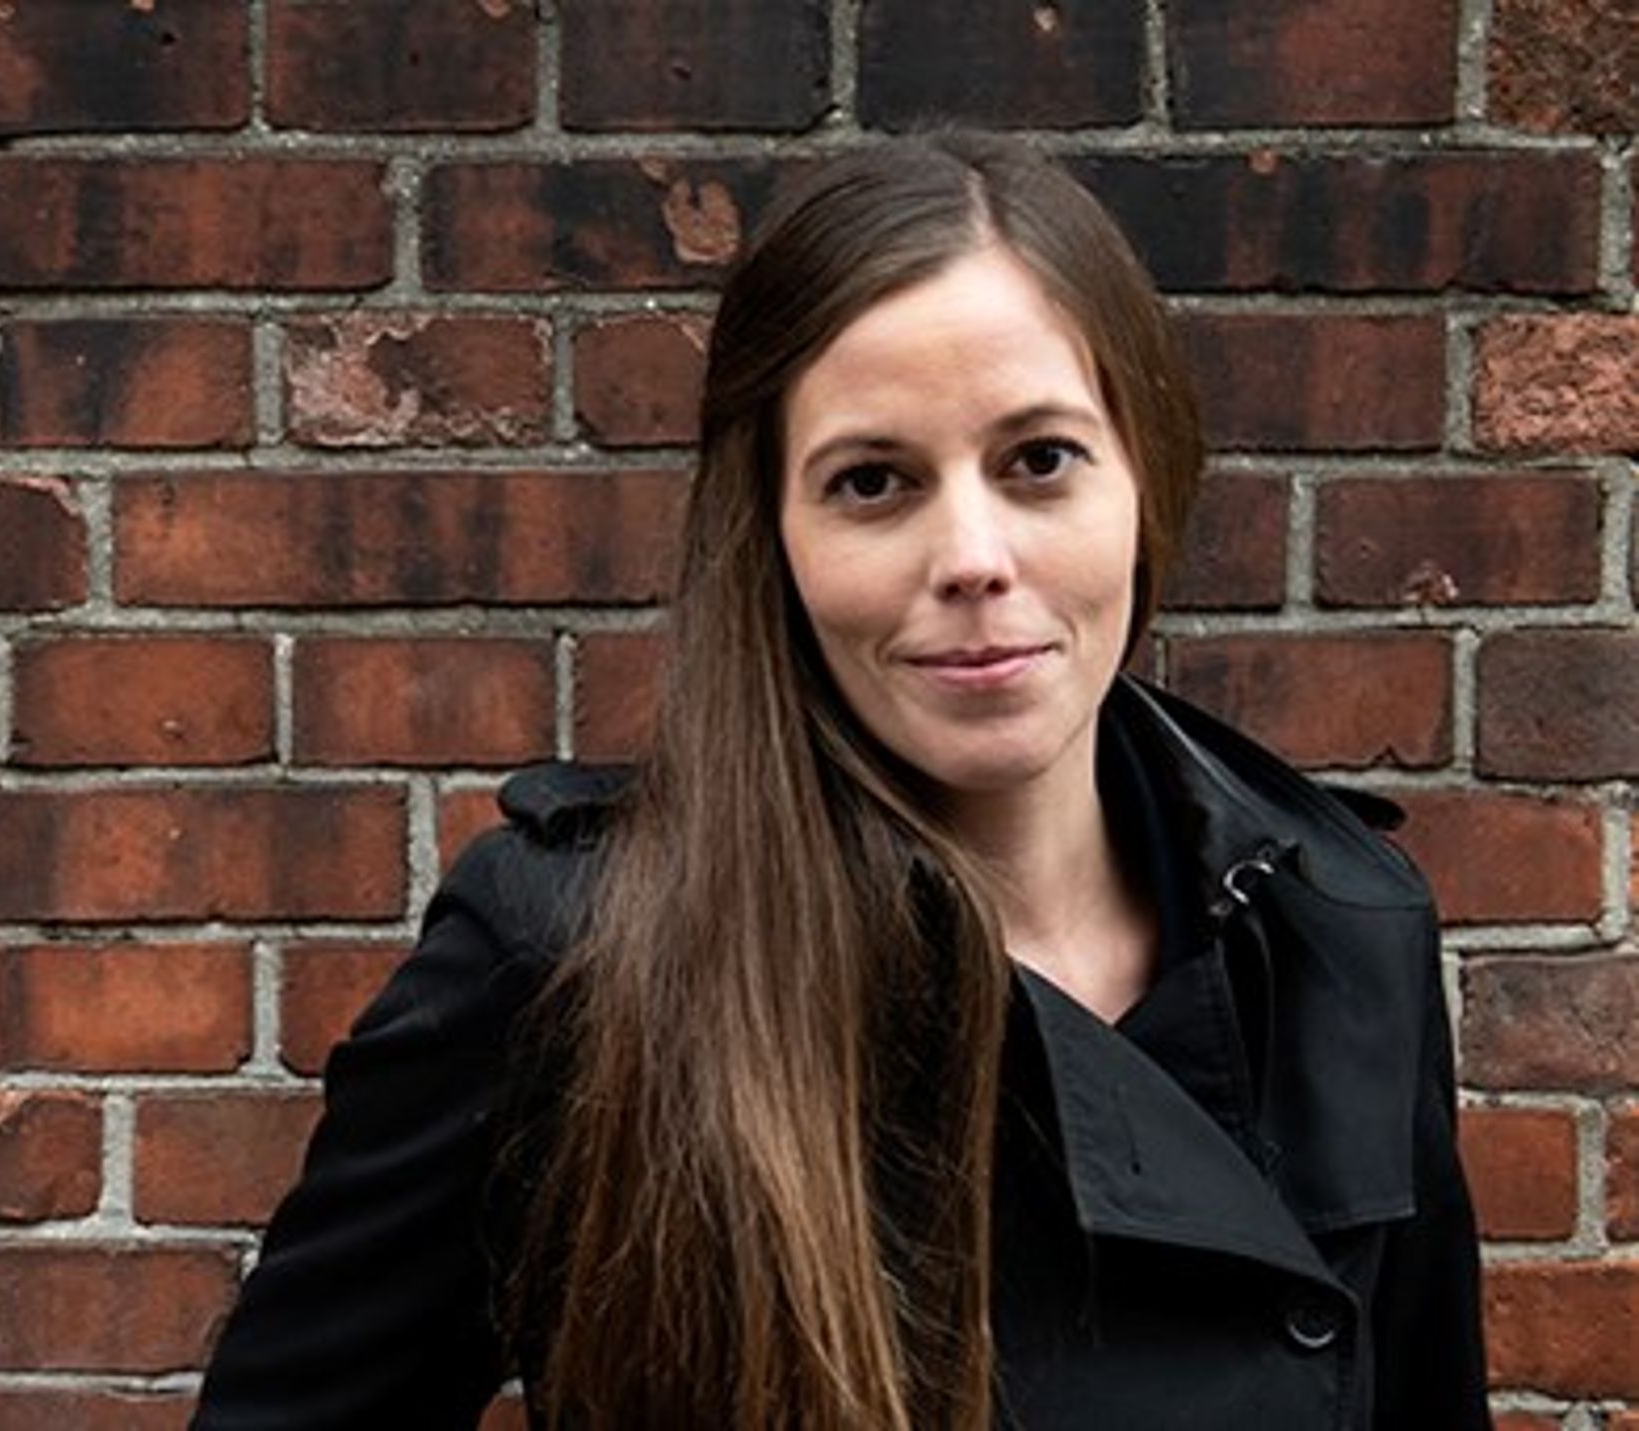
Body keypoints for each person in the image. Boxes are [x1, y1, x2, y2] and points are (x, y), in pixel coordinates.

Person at [190, 131, 1490, 1430]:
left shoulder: (1338, 928)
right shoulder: (577, 949)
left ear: (1146, 477)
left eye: (1039, 460)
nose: (972, 556)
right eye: (873, 482)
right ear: (776, 535)